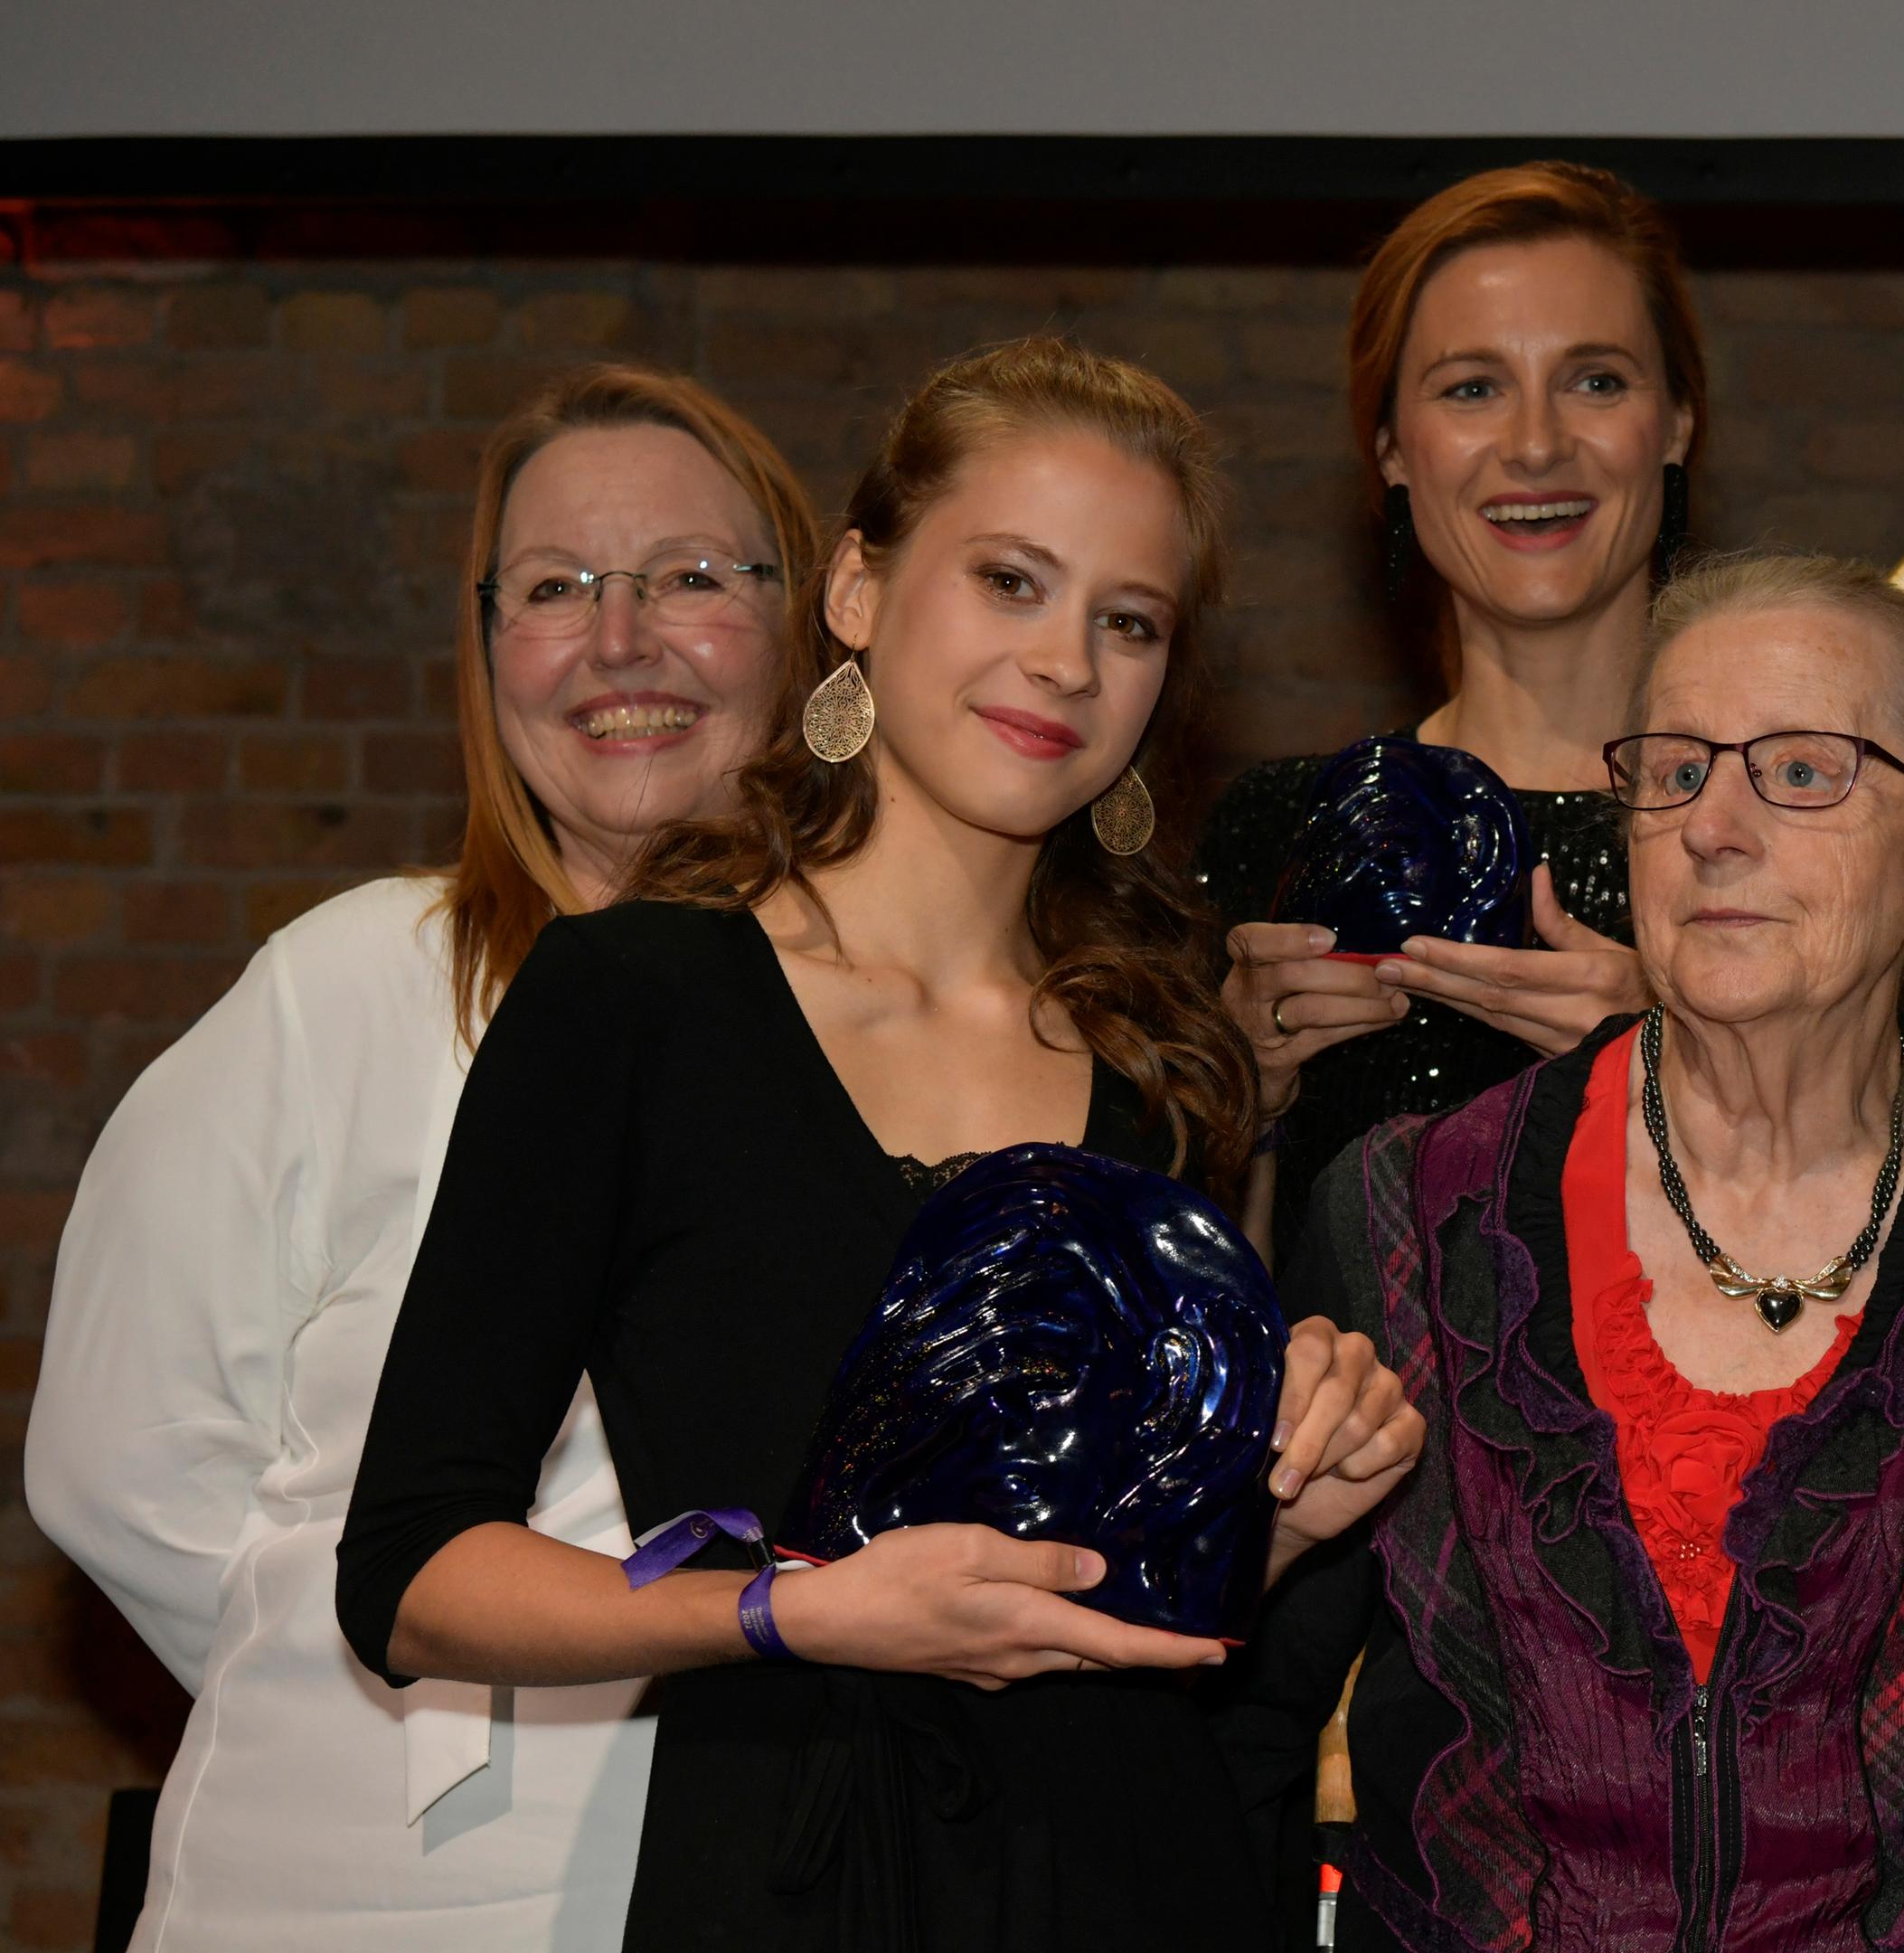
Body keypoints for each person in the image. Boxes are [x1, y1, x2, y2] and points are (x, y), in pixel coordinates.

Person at [333, 337, 1423, 1951]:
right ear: (857, 587)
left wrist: (1287, 1513)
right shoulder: (635, 1000)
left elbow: (1119, 1601)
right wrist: (794, 1612)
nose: (1064, 662)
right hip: (793, 1875)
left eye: (1127, 621)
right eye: (1009, 582)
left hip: (1140, 1878)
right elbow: (410, 1574)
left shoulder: (1162, 1055)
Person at [1247, 555, 1904, 1951]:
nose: (1714, 830)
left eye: (1802, 772)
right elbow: (1238, 1707)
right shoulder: (1409, 1212)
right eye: (1675, 771)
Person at [28, 365, 822, 1949]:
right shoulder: (345, 989)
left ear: (809, 628)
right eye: (555, 588)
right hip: (354, 1868)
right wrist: (362, 1675)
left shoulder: (896, 1036)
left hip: (770, 1846)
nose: (619, 641)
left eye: (689, 576)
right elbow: (118, 1465)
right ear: (485, 649)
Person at [1200, 161, 1904, 1257]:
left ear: (1677, 423)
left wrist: (1701, 1052)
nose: (1536, 443)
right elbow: (1196, 1291)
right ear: (1391, 451)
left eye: (1595, 381)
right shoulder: (1286, 835)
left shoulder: (1855, 820)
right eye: (1471, 389)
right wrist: (1233, 1104)